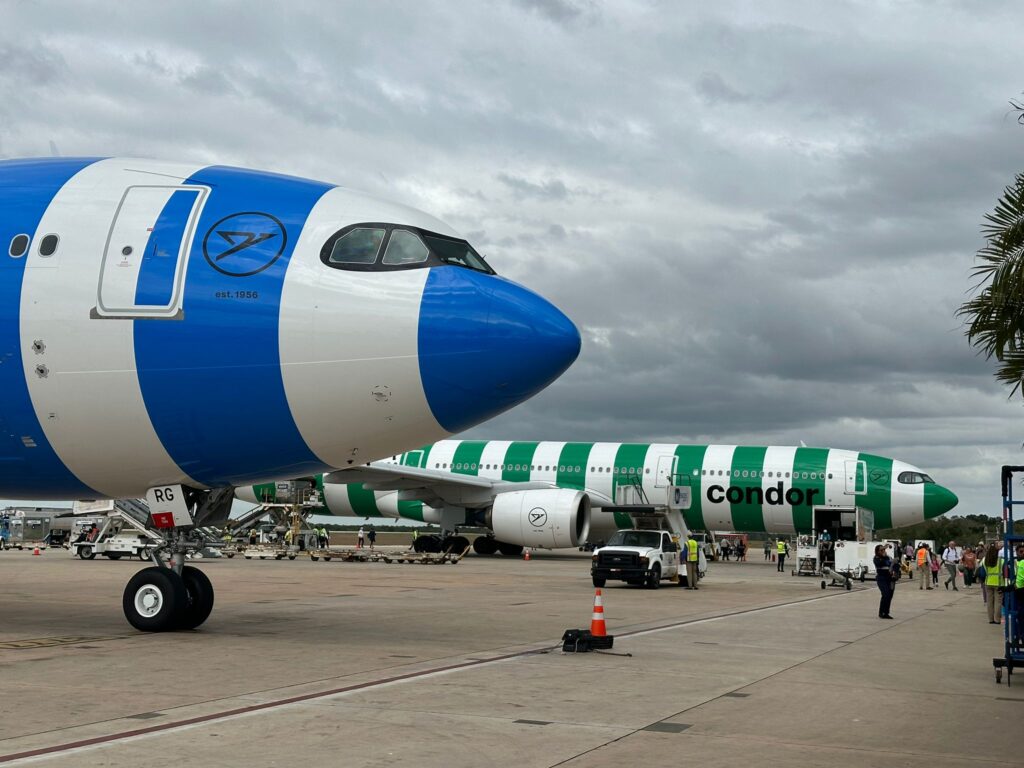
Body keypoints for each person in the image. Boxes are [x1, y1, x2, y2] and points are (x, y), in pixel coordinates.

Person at [982, 544, 1004, 624]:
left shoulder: (985, 560)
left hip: (988, 582)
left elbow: (982, 571)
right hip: (998, 582)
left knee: (989, 602)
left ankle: (990, 619)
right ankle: (997, 619)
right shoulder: (1001, 560)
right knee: (998, 602)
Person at [873, 544, 896, 619]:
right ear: (877, 551)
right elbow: (880, 563)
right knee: (885, 594)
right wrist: (885, 556)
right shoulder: (876, 558)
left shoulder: (888, 557)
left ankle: (886, 612)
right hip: (881, 578)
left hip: (890, 578)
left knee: (890, 595)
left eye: (884, 550)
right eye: (881, 550)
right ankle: (881, 612)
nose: (883, 551)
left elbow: (894, 565)